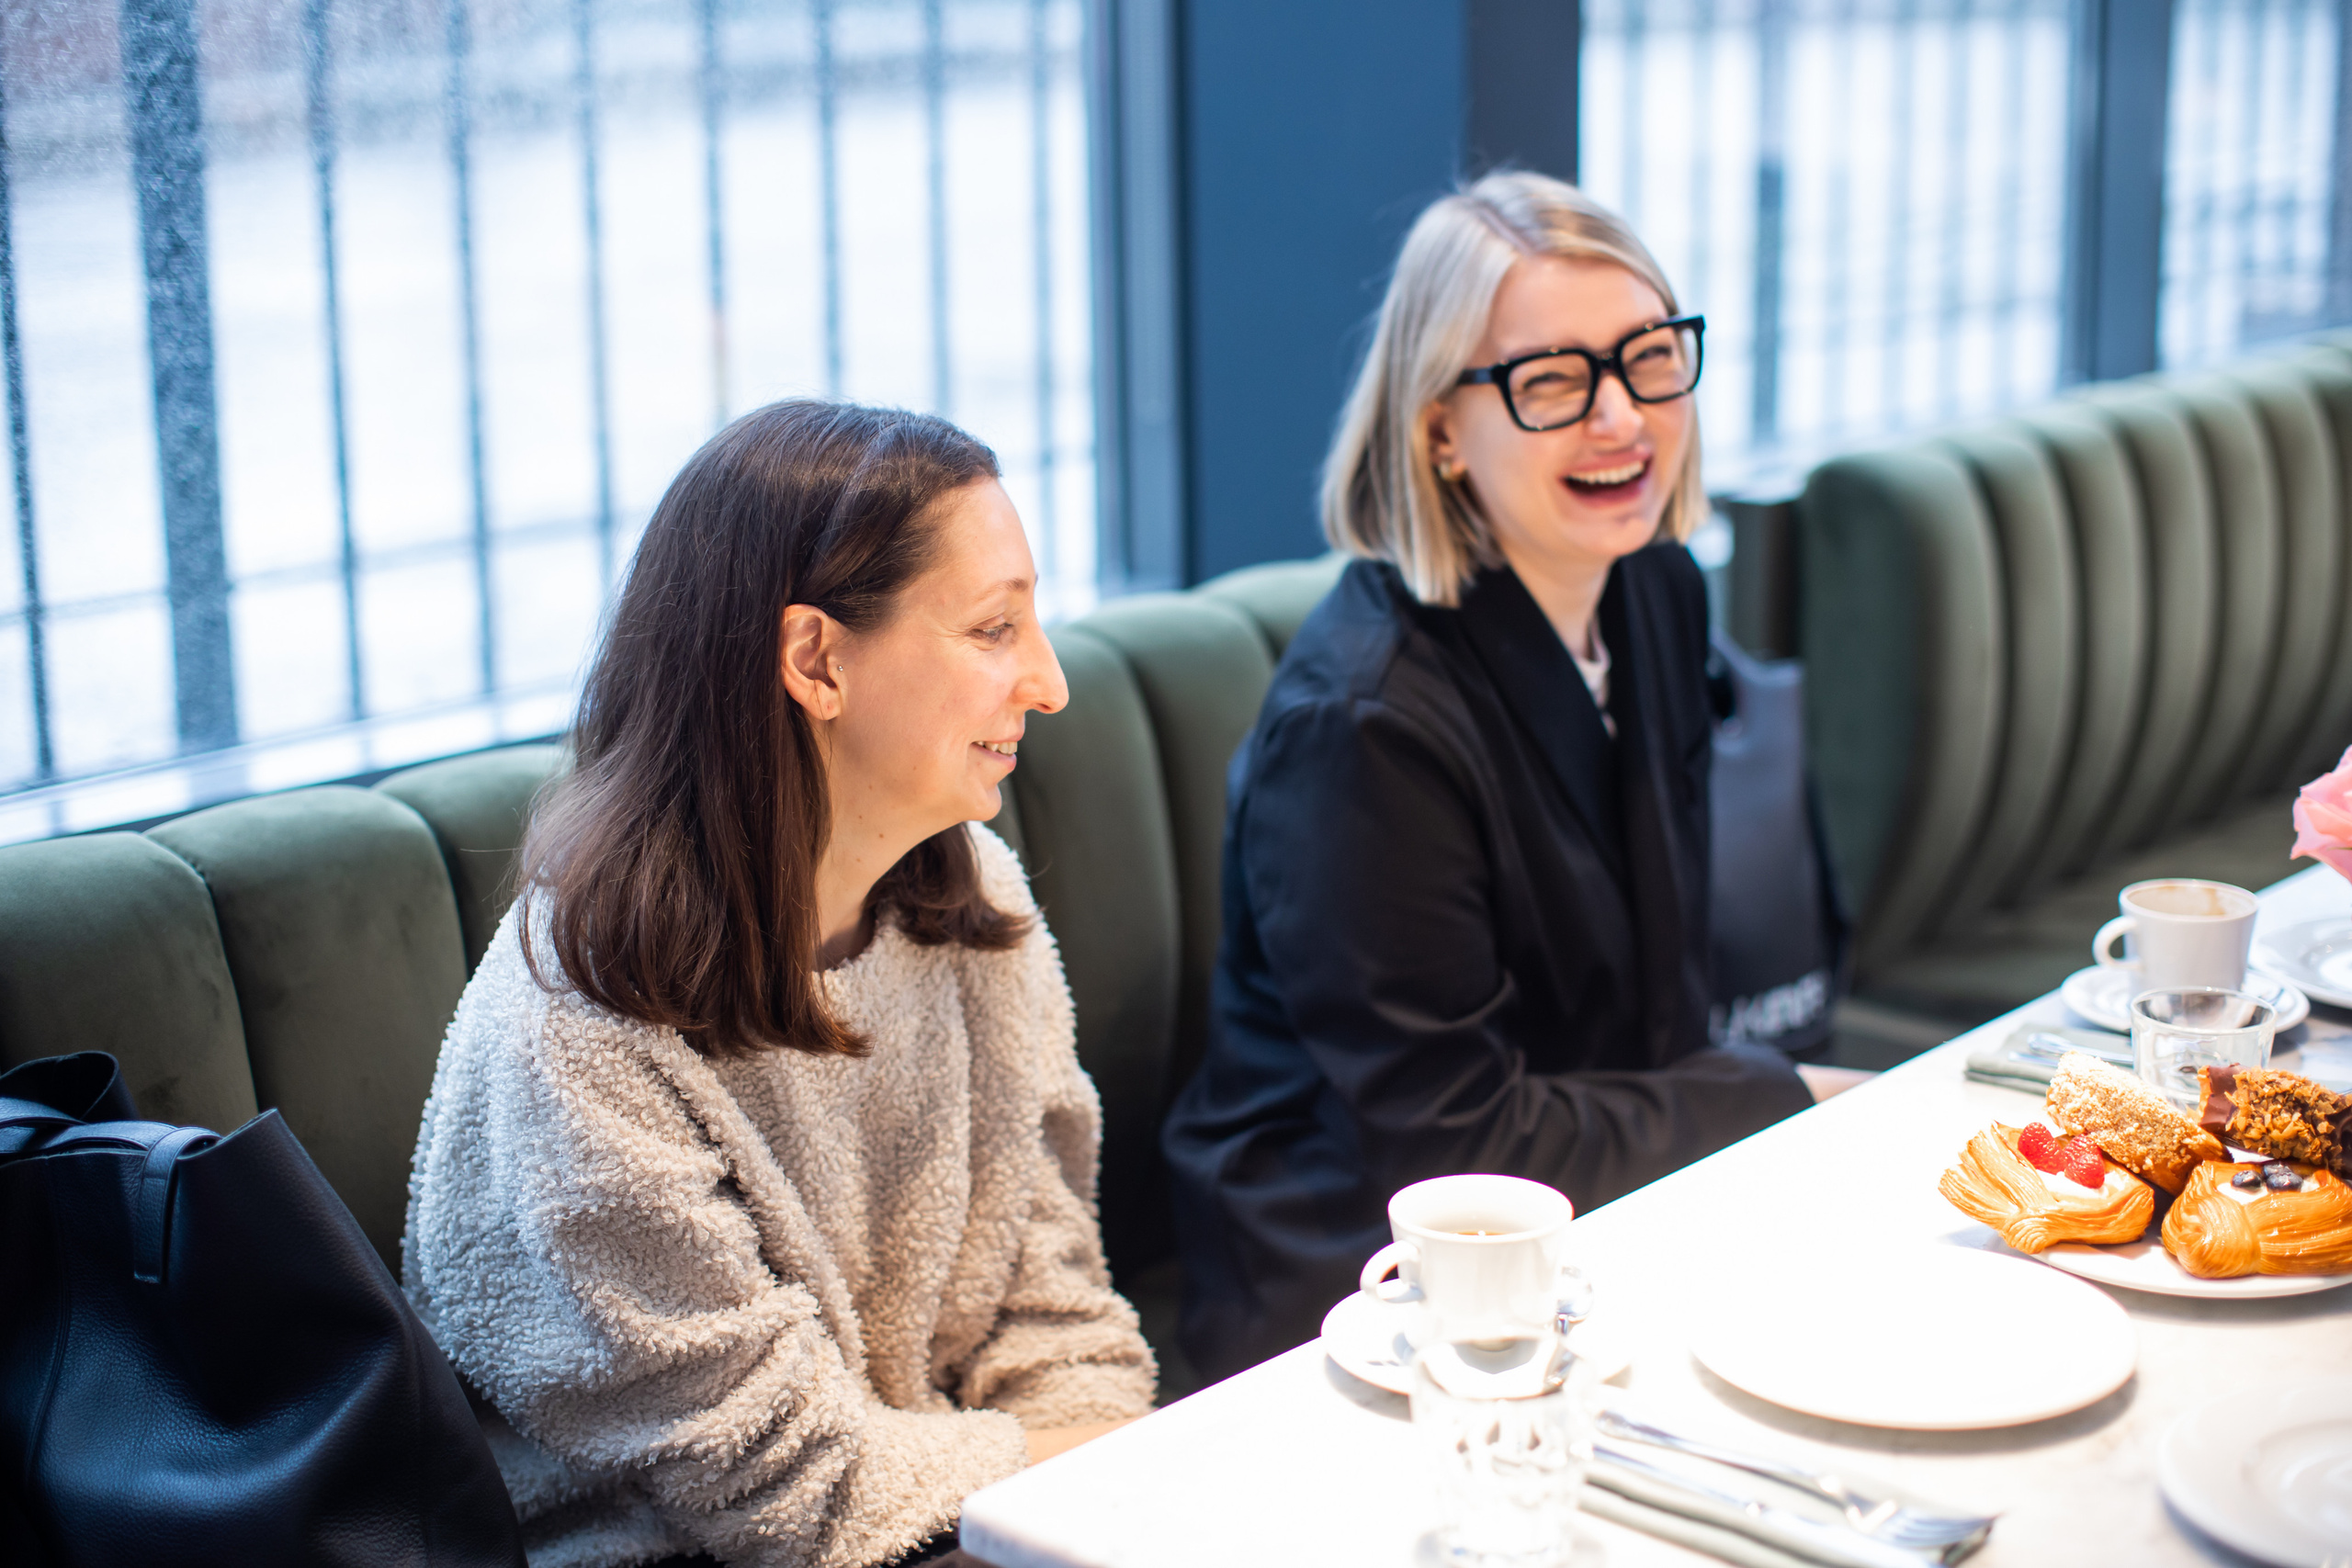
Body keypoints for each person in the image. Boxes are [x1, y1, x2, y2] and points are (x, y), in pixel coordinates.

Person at [403, 401, 1154, 1568]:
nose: (1047, 682)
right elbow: (794, 1495)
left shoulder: (974, 910)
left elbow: (1057, 1308)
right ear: (816, 659)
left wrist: (1116, 1491)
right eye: (994, 629)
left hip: (960, 1524)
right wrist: (1105, 1482)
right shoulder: (581, 1026)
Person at [1162, 171, 1868, 1382]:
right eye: (1551, 381)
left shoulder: (1651, 585)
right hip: (1362, 1284)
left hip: (1592, 1215)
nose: (1623, 419)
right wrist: (1780, 1094)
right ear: (1440, 426)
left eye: (1648, 357)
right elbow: (1452, 1139)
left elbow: (1659, 997)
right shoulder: (1363, 724)